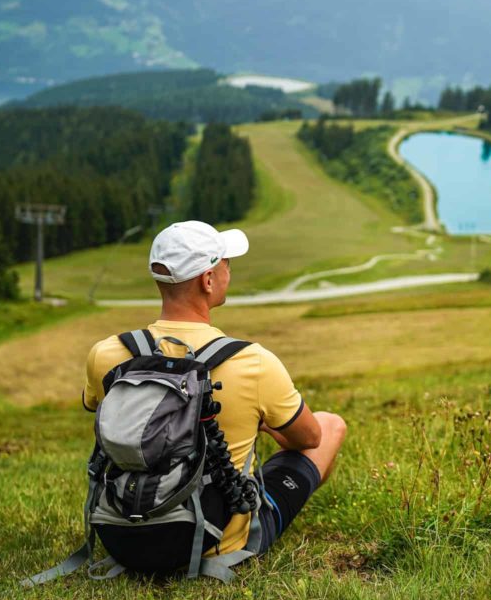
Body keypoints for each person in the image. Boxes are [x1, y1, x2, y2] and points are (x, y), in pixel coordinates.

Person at [82, 220, 347, 561]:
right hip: (214, 544)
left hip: (121, 538)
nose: (229, 272)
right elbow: (309, 439)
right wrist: (262, 426)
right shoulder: (253, 361)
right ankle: (242, 525)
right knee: (330, 425)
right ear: (208, 280)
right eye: (226, 264)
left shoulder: (107, 353)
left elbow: (97, 406)